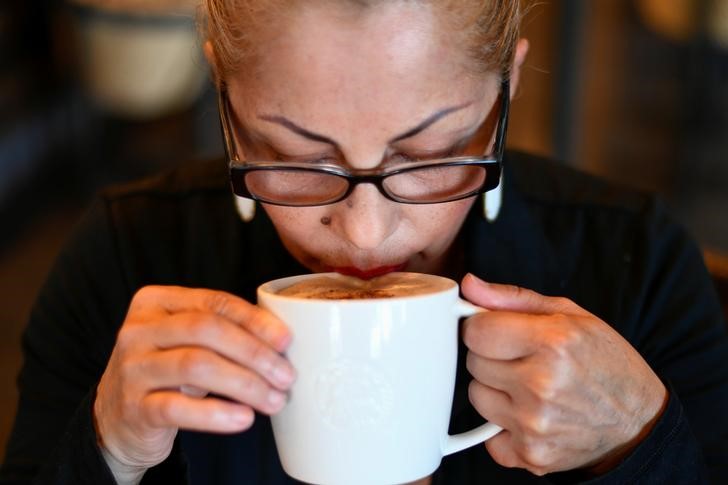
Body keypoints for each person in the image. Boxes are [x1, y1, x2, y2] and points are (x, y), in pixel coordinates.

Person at [2, 0, 727, 483]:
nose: (364, 231)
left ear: (507, 89)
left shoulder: (638, 261)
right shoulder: (124, 254)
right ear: (224, 99)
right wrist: (107, 449)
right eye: (296, 159)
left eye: (430, 155)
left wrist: (641, 442)